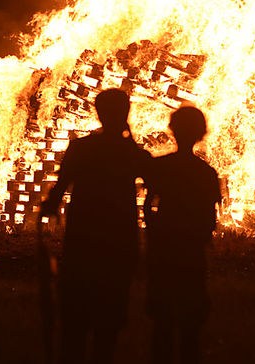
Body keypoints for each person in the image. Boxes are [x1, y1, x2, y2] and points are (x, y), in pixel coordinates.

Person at [41, 88, 149, 364]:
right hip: (118, 244)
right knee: (108, 325)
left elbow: (58, 190)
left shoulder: (82, 148)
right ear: (126, 114)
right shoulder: (131, 153)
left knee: (74, 321)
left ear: (98, 113)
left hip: (82, 242)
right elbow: (152, 176)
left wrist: (48, 212)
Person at [144, 106, 221, 364]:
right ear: (201, 134)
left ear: (173, 131)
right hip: (191, 252)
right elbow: (211, 217)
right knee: (191, 323)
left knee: (162, 322)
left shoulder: (161, 167)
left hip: (164, 249)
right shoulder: (207, 174)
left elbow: (148, 203)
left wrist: (153, 231)